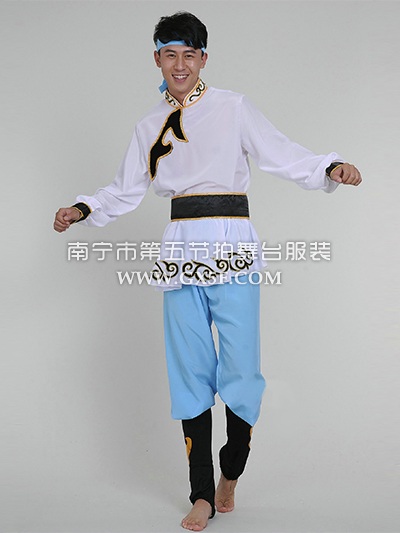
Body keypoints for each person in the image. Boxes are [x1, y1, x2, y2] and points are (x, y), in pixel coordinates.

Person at [53, 11, 362, 531]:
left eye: (189, 55)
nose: (180, 65)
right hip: (180, 251)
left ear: (203, 59)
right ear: (157, 59)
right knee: (189, 370)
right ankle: (200, 493)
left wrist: (327, 167)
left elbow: (280, 151)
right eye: (170, 54)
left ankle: (230, 473)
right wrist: (83, 209)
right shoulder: (148, 126)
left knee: (241, 369)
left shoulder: (232, 107)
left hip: (233, 245)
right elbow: (124, 189)